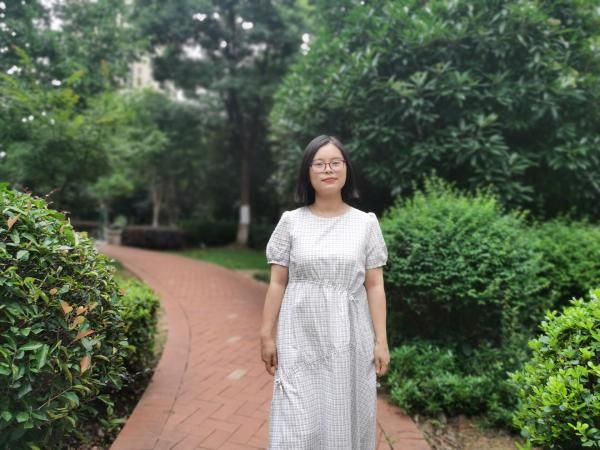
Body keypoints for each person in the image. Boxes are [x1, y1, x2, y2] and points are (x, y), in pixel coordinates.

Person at [260, 135, 390, 449]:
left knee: (341, 418)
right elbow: (277, 282)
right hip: (299, 337)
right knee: (296, 424)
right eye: (319, 164)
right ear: (308, 172)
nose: (328, 170)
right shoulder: (291, 222)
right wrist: (266, 334)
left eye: (335, 162)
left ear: (346, 169)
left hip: (349, 339)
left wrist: (381, 340)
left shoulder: (365, 224)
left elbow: (375, 285)